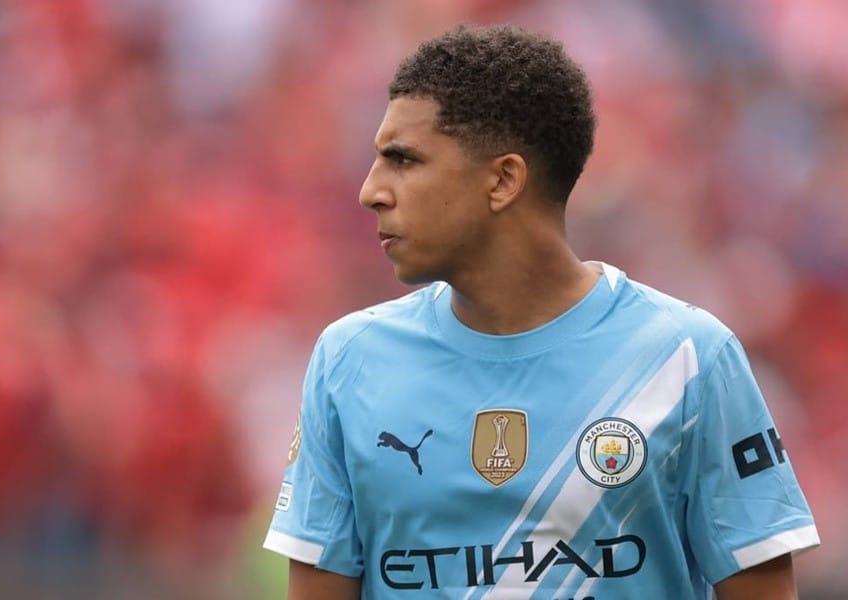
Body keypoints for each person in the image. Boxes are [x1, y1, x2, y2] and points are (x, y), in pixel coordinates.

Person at [263, 24, 819, 599]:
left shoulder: (688, 357)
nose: (371, 191)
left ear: (504, 180)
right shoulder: (348, 362)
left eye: (403, 160)